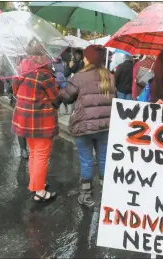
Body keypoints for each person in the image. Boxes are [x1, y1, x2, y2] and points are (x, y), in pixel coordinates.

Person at [59, 45, 115, 207]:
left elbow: (67, 98)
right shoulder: (110, 77)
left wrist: (63, 88)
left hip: (83, 126)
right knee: (104, 159)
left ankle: (86, 195)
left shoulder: (78, 77)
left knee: (86, 161)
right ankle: (107, 194)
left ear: (88, 58)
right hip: (105, 125)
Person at [11, 40, 60, 202]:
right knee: (41, 155)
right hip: (41, 121)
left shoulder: (19, 69)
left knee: (33, 153)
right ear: (41, 54)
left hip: (24, 118)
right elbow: (55, 98)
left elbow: (16, 91)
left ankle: (36, 184)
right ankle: (40, 191)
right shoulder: (43, 73)